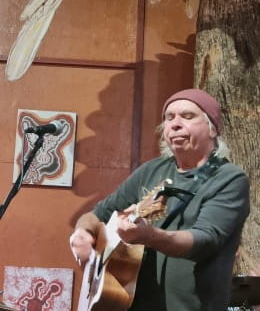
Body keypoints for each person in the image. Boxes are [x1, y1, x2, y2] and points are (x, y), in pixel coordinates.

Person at [70, 88, 250, 311]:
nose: (174, 124)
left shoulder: (229, 178)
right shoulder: (152, 170)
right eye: (169, 117)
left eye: (188, 116)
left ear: (213, 128)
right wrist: (82, 233)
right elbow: (96, 215)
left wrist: (150, 236)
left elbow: (205, 240)